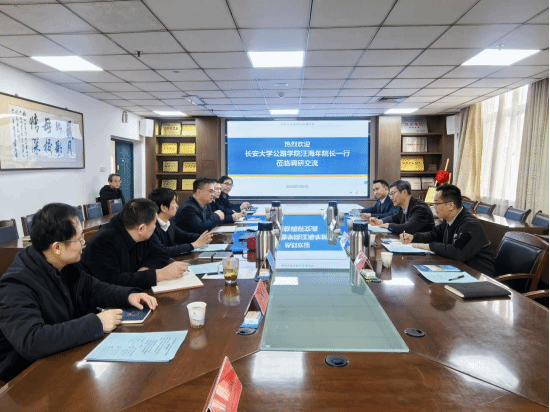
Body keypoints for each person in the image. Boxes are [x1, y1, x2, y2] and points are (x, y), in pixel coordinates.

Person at [0, 203, 157, 382]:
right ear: (57, 247)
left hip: (61, 354)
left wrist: (128, 295)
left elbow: (94, 288)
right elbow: (32, 341)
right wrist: (96, 323)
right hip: (25, 375)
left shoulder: (65, 265)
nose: (83, 243)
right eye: (79, 239)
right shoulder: (16, 284)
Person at [81, 198, 187, 289]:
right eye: (154, 223)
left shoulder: (139, 232)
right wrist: (158, 275)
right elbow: (112, 282)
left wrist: (146, 268)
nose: (155, 227)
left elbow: (161, 253)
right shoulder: (104, 242)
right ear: (141, 228)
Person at [401, 184, 496, 276]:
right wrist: (413, 237)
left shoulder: (470, 225)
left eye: (436, 203)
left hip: (478, 275)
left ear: (450, 205)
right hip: (458, 269)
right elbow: (433, 234)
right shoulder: (449, 220)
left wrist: (430, 246)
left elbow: (458, 251)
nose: (434, 207)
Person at [148, 188, 213, 257]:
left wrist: (202, 238)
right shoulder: (150, 227)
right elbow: (163, 251)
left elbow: (184, 236)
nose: (177, 206)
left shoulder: (169, 223)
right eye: (174, 203)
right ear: (164, 208)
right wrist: (193, 245)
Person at [370, 179, 434, 234]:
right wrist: (380, 221)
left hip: (422, 243)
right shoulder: (403, 207)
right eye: (390, 194)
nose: (391, 198)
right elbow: (394, 218)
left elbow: (408, 228)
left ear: (404, 193)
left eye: (392, 193)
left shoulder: (420, 208)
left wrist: (388, 225)